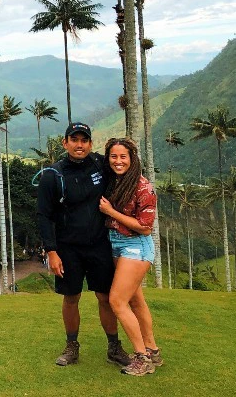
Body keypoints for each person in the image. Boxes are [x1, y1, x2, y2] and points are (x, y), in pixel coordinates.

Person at [36, 123, 131, 367]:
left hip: (99, 243)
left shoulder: (100, 165)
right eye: (74, 139)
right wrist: (52, 251)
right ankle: (71, 346)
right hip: (68, 248)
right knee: (71, 297)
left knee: (105, 296)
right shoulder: (52, 175)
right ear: (65, 143)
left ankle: (114, 346)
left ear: (90, 143)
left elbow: (126, 169)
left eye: (84, 140)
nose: (80, 145)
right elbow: (44, 216)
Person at [98, 137, 163, 376]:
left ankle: (141, 358)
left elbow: (145, 227)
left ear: (132, 158)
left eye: (123, 156)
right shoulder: (116, 181)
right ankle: (153, 352)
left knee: (117, 301)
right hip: (118, 244)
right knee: (136, 301)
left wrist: (110, 211)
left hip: (136, 246)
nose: (118, 161)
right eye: (113, 156)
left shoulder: (142, 187)